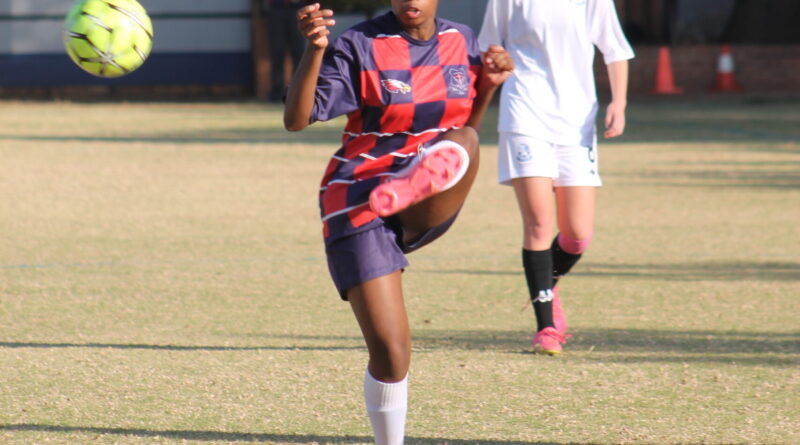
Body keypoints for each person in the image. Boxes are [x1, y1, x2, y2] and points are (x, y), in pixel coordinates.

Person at [283, 1, 513, 443]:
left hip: (424, 198)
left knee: (466, 137)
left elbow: (461, 126)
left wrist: (487, 86)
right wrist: (314, 49)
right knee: (392, 354)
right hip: (360, 197)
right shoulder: (360, 44)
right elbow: (296, 119)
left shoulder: (461, 40)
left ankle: (410, 185)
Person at [477, 0, 634, 355]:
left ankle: (547, 281)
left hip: (576, 122)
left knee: (577, 234)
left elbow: (615, 48)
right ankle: (546, 328)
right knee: (539, 222)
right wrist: (495, 64)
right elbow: (488, 47)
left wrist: (619, 102)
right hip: (524, 113)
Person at [266, 0, 306, 102]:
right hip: (277, 7)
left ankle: (297, 91)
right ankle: (277, 91)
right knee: (277, 52)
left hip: (297, 8)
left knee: (298, 52)